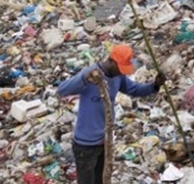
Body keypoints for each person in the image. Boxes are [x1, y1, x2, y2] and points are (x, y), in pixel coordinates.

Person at [58, 45, 165, 184]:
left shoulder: (118, 77)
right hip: (85, 144)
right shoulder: (91, 74)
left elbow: (134, 89)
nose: (121, 72)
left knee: (101, 180)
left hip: (105, 141)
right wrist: (84, 78)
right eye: (120, 68)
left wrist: (154, 86)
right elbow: (62, 90)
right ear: (111, 61)